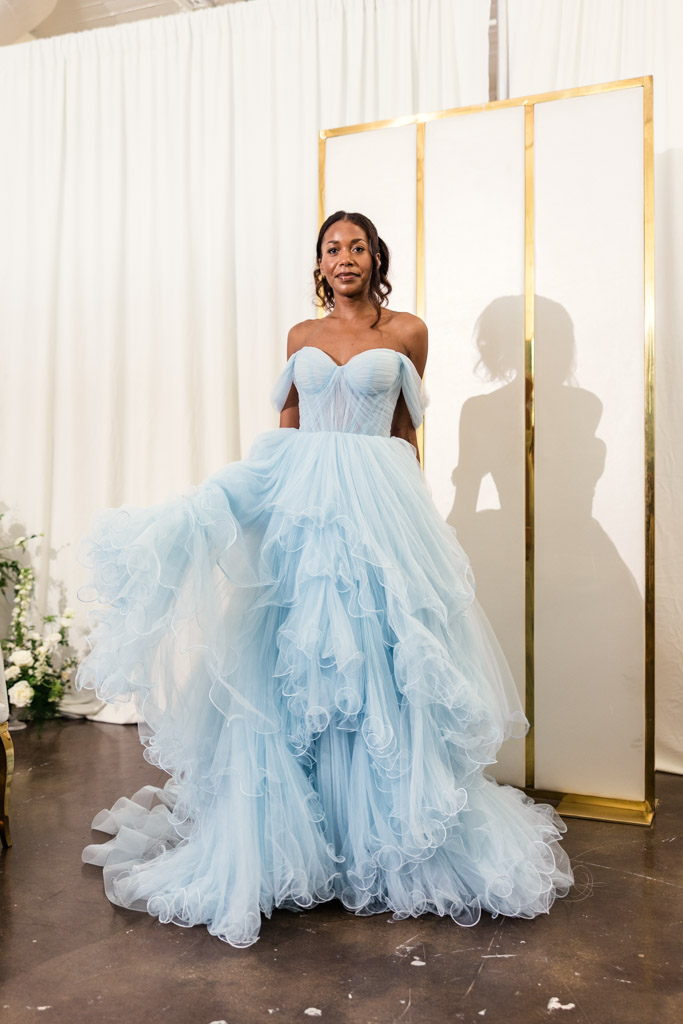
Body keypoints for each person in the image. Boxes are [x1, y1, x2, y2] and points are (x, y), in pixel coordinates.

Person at [76, 210, 573, 949]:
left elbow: (403, 436)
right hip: (304, 512)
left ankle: (383, 845)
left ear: (377, 257)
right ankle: (298, 844)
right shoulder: (299, 339)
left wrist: (415, 533)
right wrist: (253, 508)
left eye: (357, 246)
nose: (345, 257)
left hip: (378, 512)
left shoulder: (407, 332)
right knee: (299, 670)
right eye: (331, 248)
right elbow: (286, 428)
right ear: (319, 265)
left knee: (376, 670)